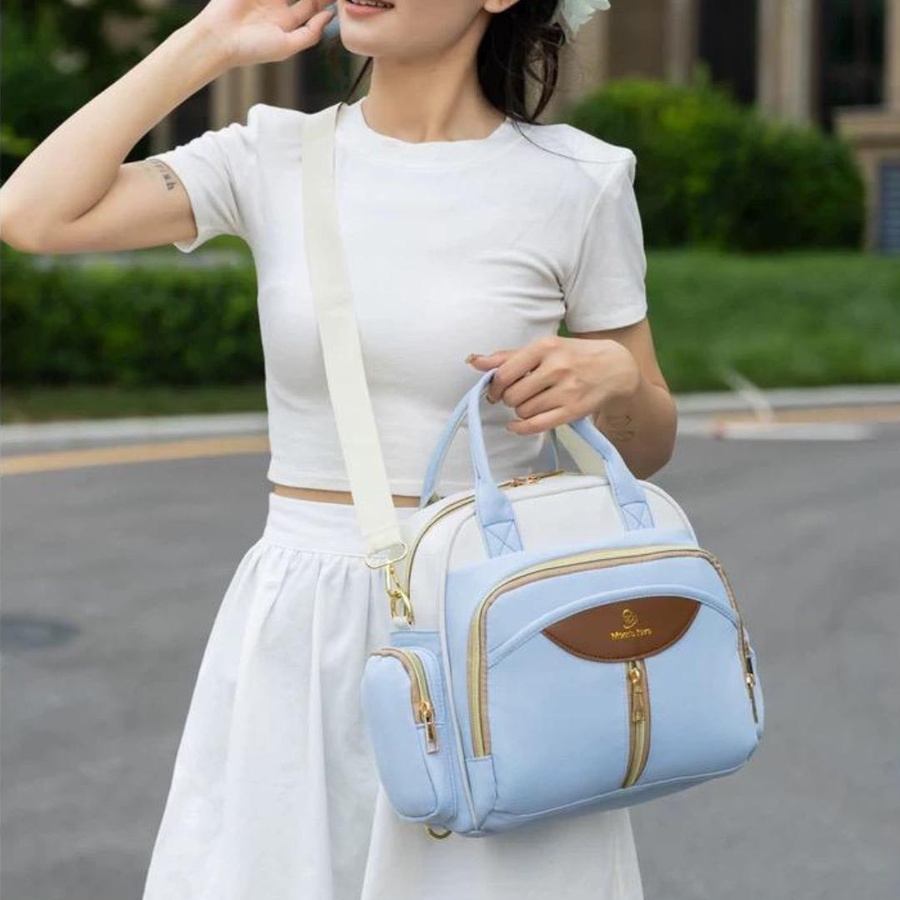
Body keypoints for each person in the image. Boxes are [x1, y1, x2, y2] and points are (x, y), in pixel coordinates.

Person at [0, 0, 678, 897]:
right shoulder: (271, 155)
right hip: (300, 624)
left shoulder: (579, 181)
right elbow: (31, 215)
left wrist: (615, 381)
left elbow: (647, 443)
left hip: (490, 632)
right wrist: (206, 41)